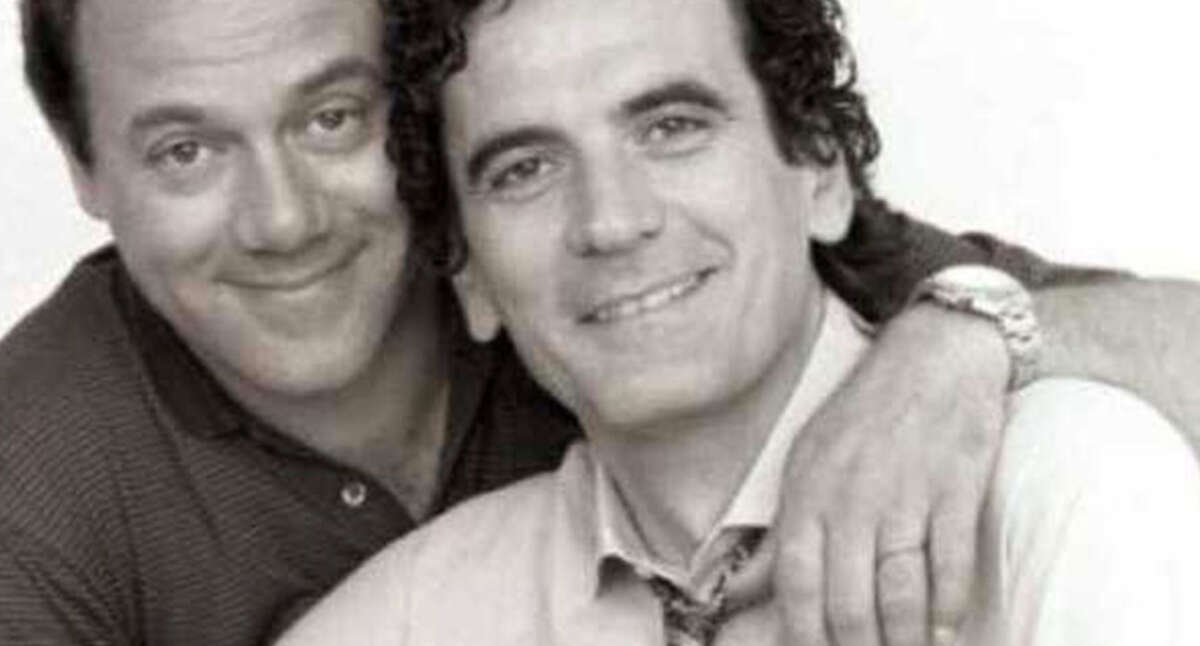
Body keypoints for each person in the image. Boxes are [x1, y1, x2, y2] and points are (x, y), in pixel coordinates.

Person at [5, 0, 1200, 644]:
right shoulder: (41, 484)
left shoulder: (1070, 486)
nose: (614, 220)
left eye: (330, 117)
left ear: (823, 170)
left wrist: (965, 337)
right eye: (184, 148)